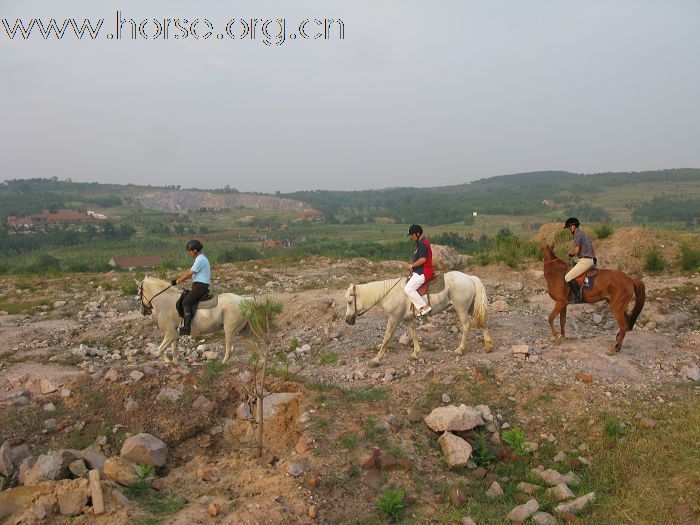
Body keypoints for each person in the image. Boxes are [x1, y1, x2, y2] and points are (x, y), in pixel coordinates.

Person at [171, 239, 210, 336]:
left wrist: (177, 281)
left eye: (190, 251)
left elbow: (189, 274)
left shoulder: (200, 259)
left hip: (200, 286)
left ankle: (187, 328)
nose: (189, 253)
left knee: (185, 301)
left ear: (195, 250)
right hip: (198, 285)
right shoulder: (199, 259)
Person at [563, 217, 596, 302]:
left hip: (585, 261)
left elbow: (577, 251)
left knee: (568, 277)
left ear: (573, 226)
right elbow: (592, 247)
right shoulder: (583, 234)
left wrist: (570, 253)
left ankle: (579, 297)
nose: (569, 230)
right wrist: (594, 258)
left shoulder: (577, 234)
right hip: (588, 259)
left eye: (569, 228)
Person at [404, 224, 434, 316]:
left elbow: (422, 259)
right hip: (419, 271)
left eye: (412, 235)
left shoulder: (423, 243)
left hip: (424, 272)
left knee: (408, 289)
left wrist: (412, 266)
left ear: (417, 233)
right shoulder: (420, 243)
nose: (411, 237)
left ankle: (424, 307)